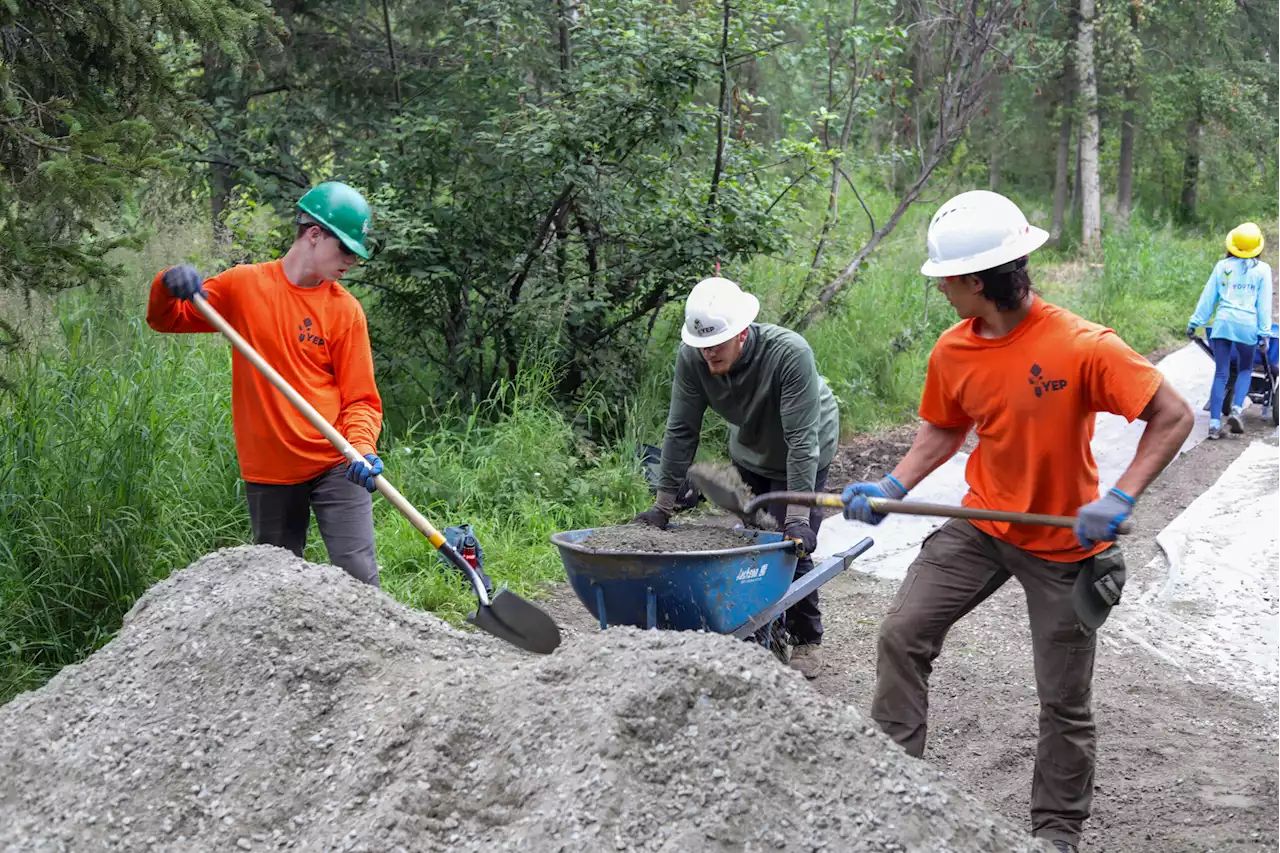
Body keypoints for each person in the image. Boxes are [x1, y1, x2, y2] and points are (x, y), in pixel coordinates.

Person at [840, 190, 1194, 853]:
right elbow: (943, 431)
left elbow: (1172, 415)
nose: (941, 288)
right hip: (980, 525)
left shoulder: (1083, 346)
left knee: (1063, 700)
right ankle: (888, 782)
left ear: (976, 281)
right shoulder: (953, 350)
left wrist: (1122, 496)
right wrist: (893, 483)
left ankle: (1056, 832)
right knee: (901, 633)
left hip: (1063, 543)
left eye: (946, 277)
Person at [147, 181, 386, 587]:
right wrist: (166, 282)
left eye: (357, 253)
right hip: (269, 471)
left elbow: (361, 399)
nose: (353, 261)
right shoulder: (244, 286)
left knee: (360, 577)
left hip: (336, 462)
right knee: (274, 587)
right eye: (345, 249)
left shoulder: (345, 311)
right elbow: (166, 318)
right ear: (314, 234)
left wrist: (361, 448)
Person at [633, 277, 840, 678]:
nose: (708, 353)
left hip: (806, 445)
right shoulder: (693, 358)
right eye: (701, 345)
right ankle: (759, 628)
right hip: (750, 445)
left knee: (788, 546)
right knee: (751, 543)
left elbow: (801, 441)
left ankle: (806, 639)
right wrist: (663, 504)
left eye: (716, 344)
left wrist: (798, 516)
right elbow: (681, 429)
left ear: (742, 334)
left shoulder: (788, 354)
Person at [1186, 222, 1273, 439]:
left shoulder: (1222, 266)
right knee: (1245, 369)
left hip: (1223, 323)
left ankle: (1214, 425)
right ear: (1258, 248)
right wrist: (1265, 333)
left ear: (1232, 245)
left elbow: (1208, 298)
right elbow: (1263, 305)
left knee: (1222, 373)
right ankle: (1236, 410)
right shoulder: (1263, 270)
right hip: (1247, 325)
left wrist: (1195, 322)